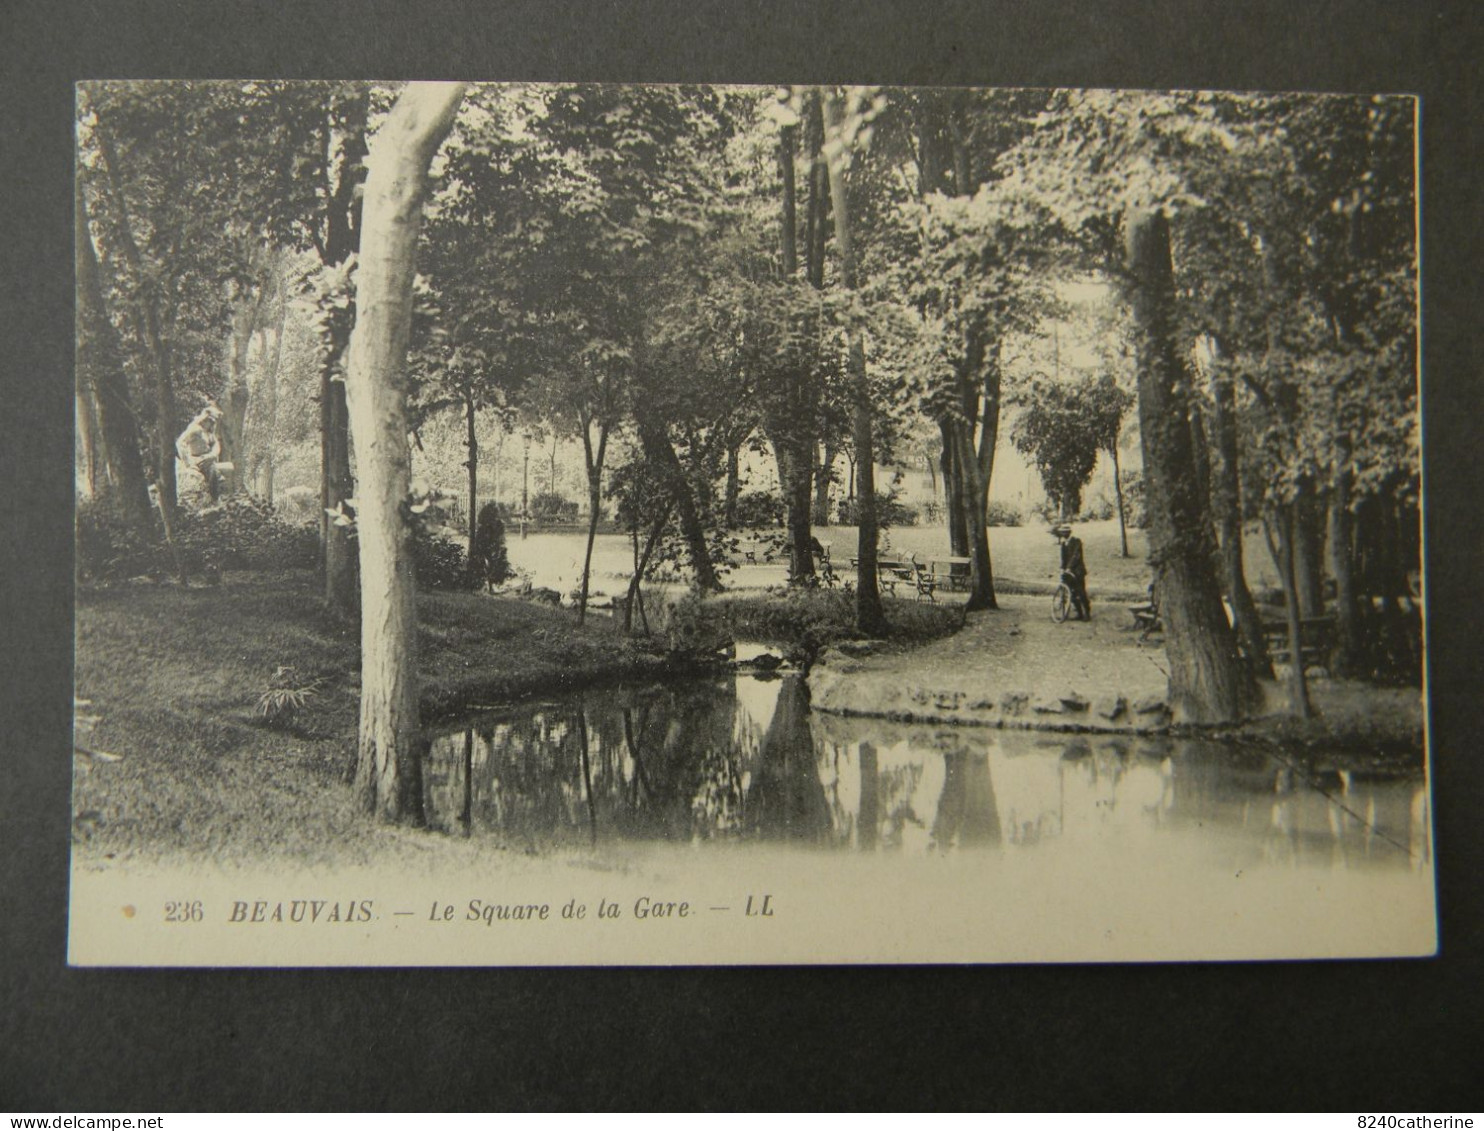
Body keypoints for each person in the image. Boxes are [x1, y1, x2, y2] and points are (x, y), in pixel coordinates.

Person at [176, 405, 223, 502]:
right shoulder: (195, 429)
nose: (212, 424)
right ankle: (214, 498)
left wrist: (213, 454)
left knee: (213, 467)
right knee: (212, 469)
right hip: (196, 459)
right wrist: (188, 462)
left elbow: (216, 444)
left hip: (206, 457)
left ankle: (215, 496)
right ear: (206, 419)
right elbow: (180, 443)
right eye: (211, 421)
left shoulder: (208, 432)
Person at [1052, 523, 1090, 620]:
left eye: (1065, 532)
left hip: (1078, 571)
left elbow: (1076, 556)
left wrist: (1069, 567)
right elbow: (1063, 559)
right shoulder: (1064, 544)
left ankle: (1087, 613)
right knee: (1071, 593)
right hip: (1068, 572)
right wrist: (1062, 568)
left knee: (1081, 592)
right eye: (1062, 533)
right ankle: (1079, 613)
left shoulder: (1076, 542)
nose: (1063, 534)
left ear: (1069, 532)